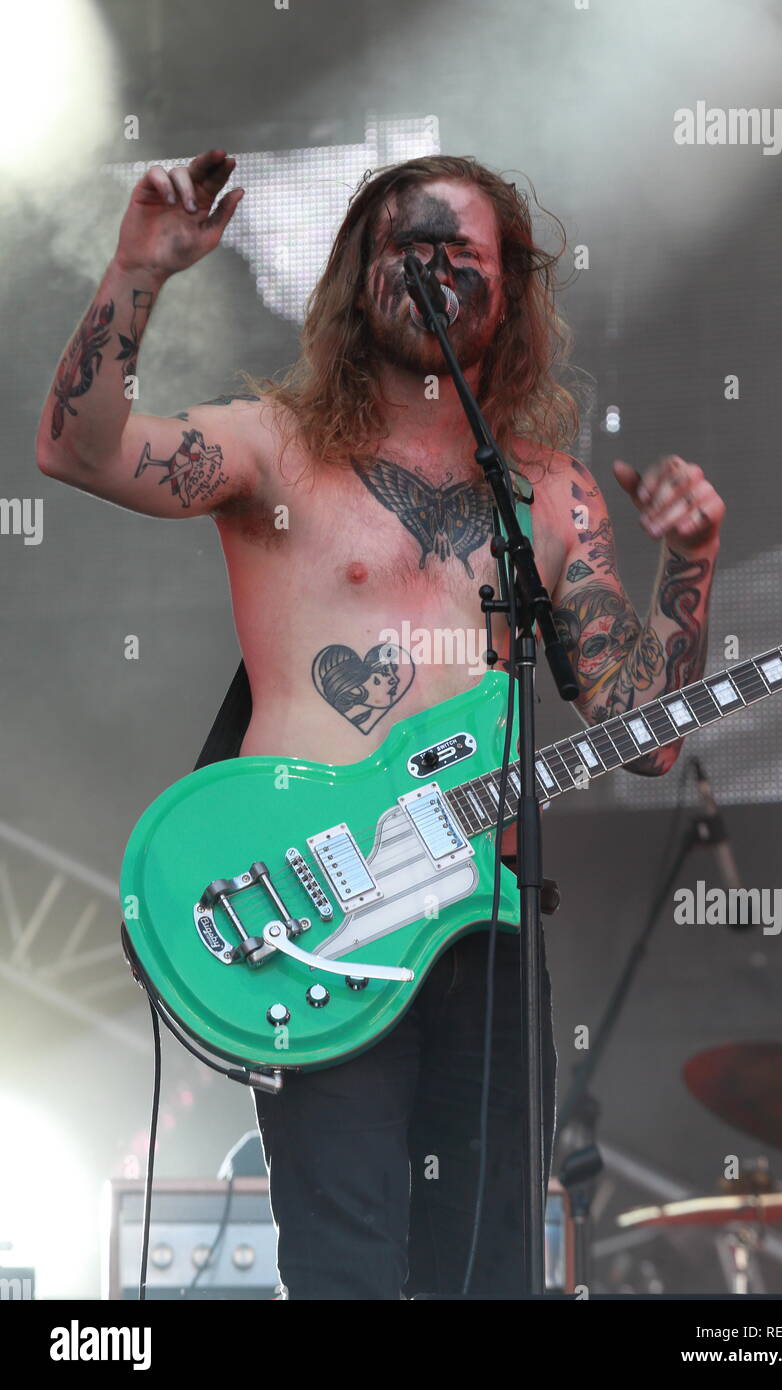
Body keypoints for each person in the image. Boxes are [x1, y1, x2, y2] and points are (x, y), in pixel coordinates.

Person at [36, 149, 725, 1299]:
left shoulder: (551, 497)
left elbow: (645, 735)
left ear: (510, 294)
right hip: (319, 927)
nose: (435, 271)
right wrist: (137, 270)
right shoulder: (272, 450)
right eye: (407, 247)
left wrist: (689, 568)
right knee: (348, 1264)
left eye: (464, 254)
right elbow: (79, 446)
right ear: (359, 279)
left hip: (482, 940)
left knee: (494, 1264)